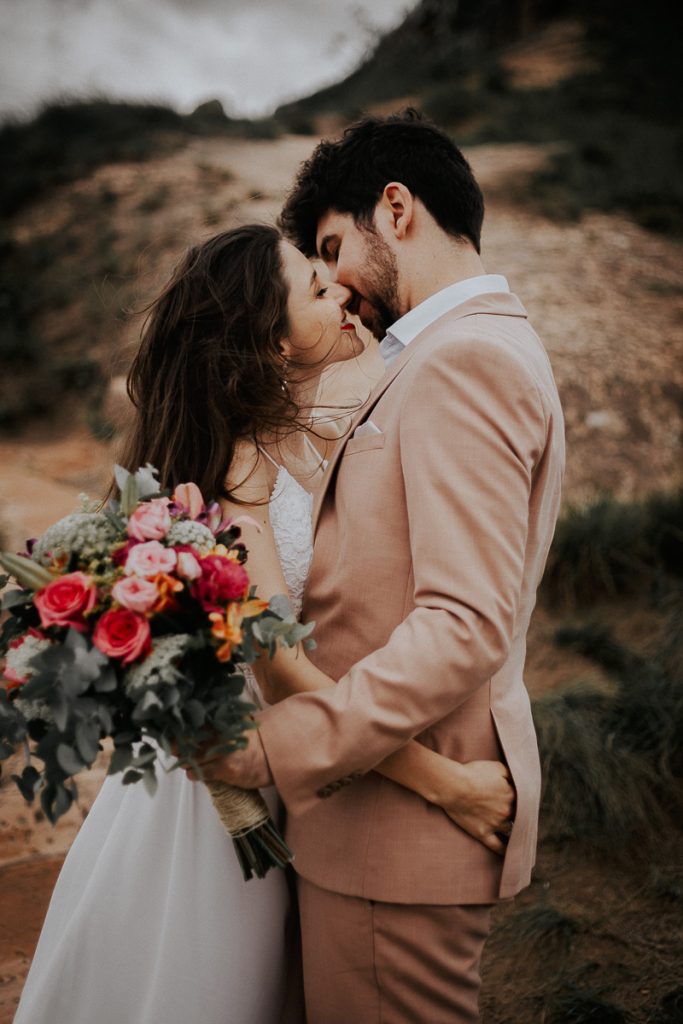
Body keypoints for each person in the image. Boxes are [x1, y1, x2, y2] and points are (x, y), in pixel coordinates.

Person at [14, 223, 515, 1024]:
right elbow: (278, 670)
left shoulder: (265, 439)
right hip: (227, 806)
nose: (341, 291)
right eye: (316, 291)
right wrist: (450, 786)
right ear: (272, 347)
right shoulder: (239, 468)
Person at [198, 112, 566, 1023]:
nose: (338, 289)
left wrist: (273, 750)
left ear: (394, 210)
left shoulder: (461, 359)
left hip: (398, 841)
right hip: (375, 820)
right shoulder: (443, 352)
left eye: (333, 249)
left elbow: (463, 624)